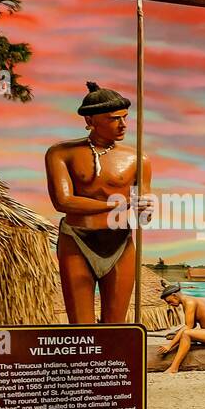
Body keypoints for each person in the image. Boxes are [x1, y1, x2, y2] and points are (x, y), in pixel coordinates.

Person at [45, 82, 153, 323]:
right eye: (114, 119)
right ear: (91, 121)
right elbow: (63, 202)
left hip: (120, 242)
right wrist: (119, 204)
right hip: (76, 240)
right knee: (80, 326)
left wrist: (146, 210)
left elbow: (142, 216)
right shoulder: (60, 153)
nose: (123, 125)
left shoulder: (138, 159)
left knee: (116, 325)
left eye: (125, 118)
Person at [156, 283, 205, 374]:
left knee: (186, 334)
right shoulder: (186, 302)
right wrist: (175, 333)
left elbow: (188, 327)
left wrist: (170, 345)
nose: (170, 305)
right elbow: (193, 324)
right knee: (184, 334)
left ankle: (174, 367)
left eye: (169, 301)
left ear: (174, 295)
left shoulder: (189, 302)